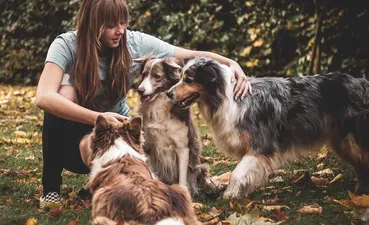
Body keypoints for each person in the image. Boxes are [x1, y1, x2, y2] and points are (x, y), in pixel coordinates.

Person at [35, 0, 251, 209]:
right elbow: (43, 97)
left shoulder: (133, 43)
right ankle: (51, 188)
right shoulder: (66, 45)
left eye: (123, 22)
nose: (120, 30)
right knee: (63, 92)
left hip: (116, 132)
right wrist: (97, 118)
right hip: (68, 138)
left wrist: (231, 63)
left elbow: (189, 55)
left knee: (96, 153)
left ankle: (103, 186)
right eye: (111, 25)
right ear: (92, 23)